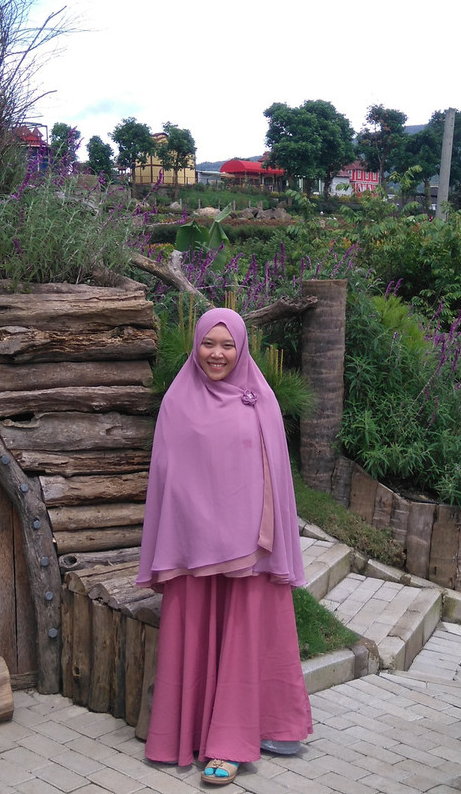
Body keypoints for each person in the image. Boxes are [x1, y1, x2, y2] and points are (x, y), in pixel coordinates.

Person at [136, 307, 313, 786]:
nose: (217, 353)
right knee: (192, 628)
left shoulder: (262, 401)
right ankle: (187, 731)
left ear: (241, 348)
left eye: (227, 344)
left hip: (247, 551)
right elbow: (167, 479)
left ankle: (233, 742)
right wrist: (188, 530)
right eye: (208, 343)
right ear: (196, 345)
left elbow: (276, 477)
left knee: (244, 639)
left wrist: (263, 540)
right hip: (194, 545)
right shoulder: (177, 400)